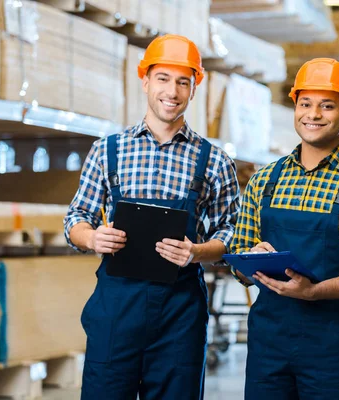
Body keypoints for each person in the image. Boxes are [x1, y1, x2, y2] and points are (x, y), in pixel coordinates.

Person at [63, 34, 240, 399]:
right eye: (163, 78)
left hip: (179, 315)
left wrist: (198, 251)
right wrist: (93, 237)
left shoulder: (215, 161)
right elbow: (76, 218)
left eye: (183, 82)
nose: (172, 91)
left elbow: (232, 231)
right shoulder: (107, 150)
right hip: (116, 311)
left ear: (194, 89)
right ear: (145, 80)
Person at [230, 58, 339, 400]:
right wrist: (251, 261)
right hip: (269, 342)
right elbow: (240, 254)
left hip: (332, 347)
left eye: (327, 106)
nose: (313, 114)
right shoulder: (266, 180)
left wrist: (314, 291)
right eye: (305, 103)